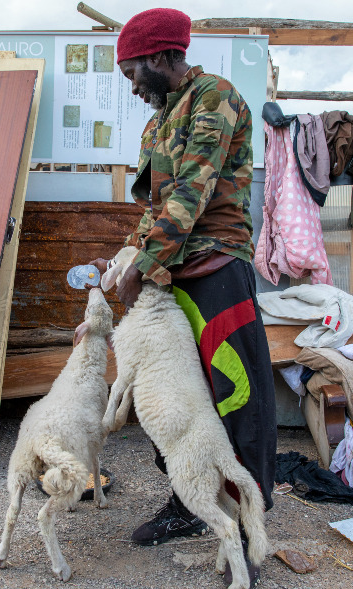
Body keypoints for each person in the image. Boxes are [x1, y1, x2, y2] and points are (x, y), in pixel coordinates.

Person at [90, 7, 277, 550]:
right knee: (169, 397)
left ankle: (249, 515)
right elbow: (155, 205)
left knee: (235, 392)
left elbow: (192, 192)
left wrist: (144, 266)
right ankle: (190, 498)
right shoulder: (159, 121)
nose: (130, 87)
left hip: (217, 265)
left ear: (159, 55)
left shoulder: (214, 97)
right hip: (171, 274)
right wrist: (133, 258)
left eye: (132, 73)